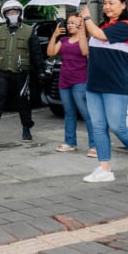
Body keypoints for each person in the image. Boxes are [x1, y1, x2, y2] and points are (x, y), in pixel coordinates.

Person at [79, 0, 128, 182]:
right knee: (99, 127)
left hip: (116, 86)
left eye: (111, 3)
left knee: (117, 126)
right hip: (95, 85)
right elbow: (86, 50)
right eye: (105, 3)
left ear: (124, 4)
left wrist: (86, 19)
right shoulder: (101, 26)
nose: (107, 7)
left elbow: (100, 35)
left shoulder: (126, 26)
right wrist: (81, 28)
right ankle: (104, 168)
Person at [0, 0, 44, 143]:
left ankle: (26, 129)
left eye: (15, 12)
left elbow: (36, 53)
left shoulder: (29, 30)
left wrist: (40, 71)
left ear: (20, 13)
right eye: (9, 13)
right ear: (4, 15)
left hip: (21, 72)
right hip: (1, 72)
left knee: (23, 100)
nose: (12, 15)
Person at [46, 13, 96, 157]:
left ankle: (95, 145)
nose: (69, 25)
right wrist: (54, 35)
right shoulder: (64, 40)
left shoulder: (87, 39)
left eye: (74, 22)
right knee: (69, 113)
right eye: (68, 22)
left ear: (81, 24)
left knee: (86, 113)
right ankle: (70, 143)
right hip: (64, 81)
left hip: (80, 81)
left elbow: (84, 51)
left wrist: (81, 31)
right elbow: (50, 52)